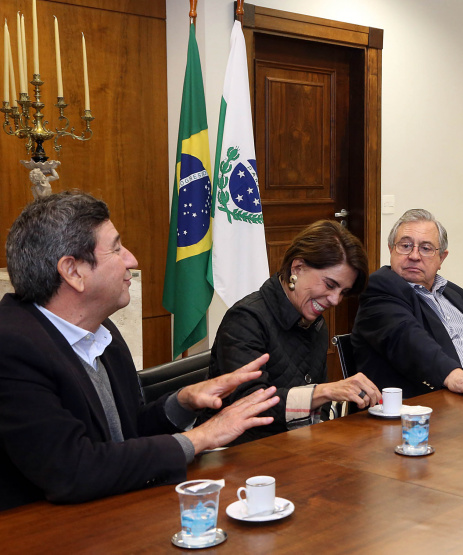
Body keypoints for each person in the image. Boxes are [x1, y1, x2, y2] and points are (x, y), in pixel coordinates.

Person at [0, 191, 280, 511]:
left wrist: (183, 402)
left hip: (114, 511)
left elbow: (125, 436)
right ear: (73, 271)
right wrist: (201, 438)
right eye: (117, 248)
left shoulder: (102, 331)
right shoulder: (11, 347)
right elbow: (72, 470)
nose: (131, 260)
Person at [202, 220, 381, 444]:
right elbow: (252, 407)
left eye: (343, 292)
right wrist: (324, 392)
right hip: (239, 454)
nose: (336, 300)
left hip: (293, 448)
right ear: (297, 268)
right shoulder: (246, 319)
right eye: (329, 284)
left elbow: (320, 411)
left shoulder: (315, 323)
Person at [351, 209, 463, 400]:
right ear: (391, 249)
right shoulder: (380, 287)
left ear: (442, 258)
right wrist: (454, 375)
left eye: (426, 248)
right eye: (405, 246)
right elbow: (407, 340)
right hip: (435, 406)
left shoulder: (457, 294)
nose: (414, 256)